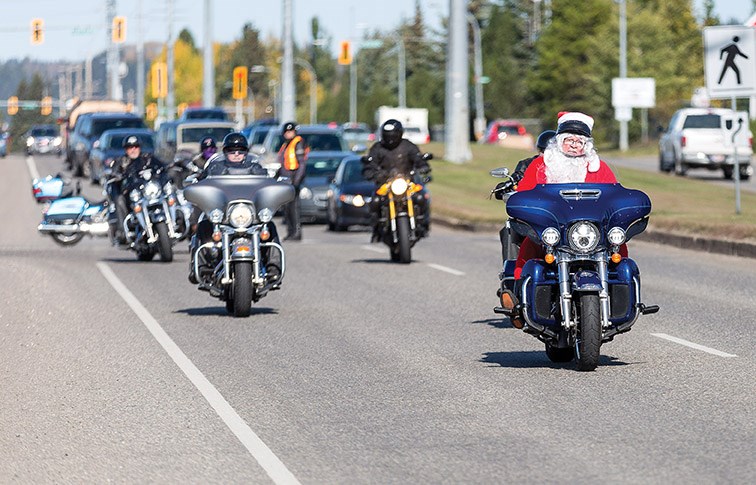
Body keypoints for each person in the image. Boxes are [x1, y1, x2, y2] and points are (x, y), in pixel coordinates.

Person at [500, 112, 624, 327]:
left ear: (587, 145)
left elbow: (613, 195)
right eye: (569, 140)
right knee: (529, 249)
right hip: (552, 231)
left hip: (590, 232)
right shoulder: (540, 165)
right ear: (559, 141)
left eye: (580, 141)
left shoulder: (599, 167)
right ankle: (520, 300)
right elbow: (525, 193)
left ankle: (621, 298)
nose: (574, 146)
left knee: (621, 252)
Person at [189, 132, 277, 283]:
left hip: (249, 215)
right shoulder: (215, 169)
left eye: (240, 151)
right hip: (224, 215)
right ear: (225, 152)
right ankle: (202, 266)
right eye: (232, 151)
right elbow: (201, 182)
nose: (236, 154)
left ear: (246, 152)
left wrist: (276, 184)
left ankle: (273, 267)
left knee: (270, 227)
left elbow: (268, 184)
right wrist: (196, 182)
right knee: (203, 225)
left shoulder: (256, 169)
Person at [362, 119, 431, 241]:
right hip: (385, 183)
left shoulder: (408, 146)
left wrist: (423, 167)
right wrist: (371, 173)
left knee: (421, 197)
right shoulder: (378, 148)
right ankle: (377, 228)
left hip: (406, 181)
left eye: (393, 135)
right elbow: (370, 163)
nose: (390, 138)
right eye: (388, 135)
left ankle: (422, 224)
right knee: (375, 201)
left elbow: (418, 158)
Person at [495, 129, 556, 263]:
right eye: (544, 151)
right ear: (539, 151)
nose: (547, 156)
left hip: (560, 215)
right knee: (510, 227)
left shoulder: (569, 166)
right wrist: (509, 184)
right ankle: (512, 273)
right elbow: (518, 181)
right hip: (535, 213)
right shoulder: (528, 165)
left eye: (553, 151)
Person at [108, 135, 165, 245]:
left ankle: (175, 222)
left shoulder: (147, 158)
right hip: (132, 194)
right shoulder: (121, 161)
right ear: (126, 149)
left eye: (136, 146)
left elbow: (161, 166)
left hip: (148, 192)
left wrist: (166, 169)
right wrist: (116, 175)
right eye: (130, 147)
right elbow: (114, 172)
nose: (133, 149)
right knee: (119, 200)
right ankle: (123, 230)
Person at [276, 121, 308, 240]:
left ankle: (297, 233)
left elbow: (302, 164)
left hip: (293, 179)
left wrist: (296, 182)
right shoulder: (286, 144)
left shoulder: (298, 143)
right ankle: (290, 232)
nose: (288, 134)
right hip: (286, 180)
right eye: (287, 132)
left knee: (294, 208)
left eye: (291, 131)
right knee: (287, 208)